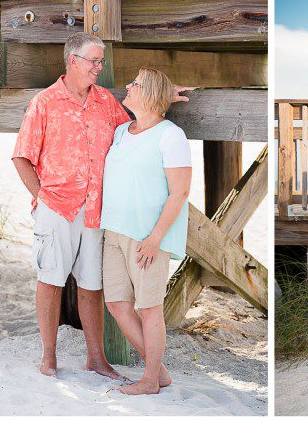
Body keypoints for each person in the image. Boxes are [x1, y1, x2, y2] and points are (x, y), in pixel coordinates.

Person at [11, 32, 189, 379]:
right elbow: (21, 157)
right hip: (56, 208)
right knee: (50, 280)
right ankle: (49, 357)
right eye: (94, 61)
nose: (99, 67)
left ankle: (96, 358)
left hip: (96, 212)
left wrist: (165, 93)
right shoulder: (44, 103)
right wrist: (41, 198)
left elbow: (142, 123)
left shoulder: (106, 101)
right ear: (73, 61)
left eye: (101, 61)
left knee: (93, 286)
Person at [101, 68, 191, 395]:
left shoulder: (171, 136)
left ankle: (150, 380)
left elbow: (180, 191)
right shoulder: (122, 131)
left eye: (135, 84)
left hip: (147, 237)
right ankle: (160, 372)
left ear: (149, 94)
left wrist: (155, 238)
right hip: (114, 232)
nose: (128, 86)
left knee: (148, 307)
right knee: (116, 303)